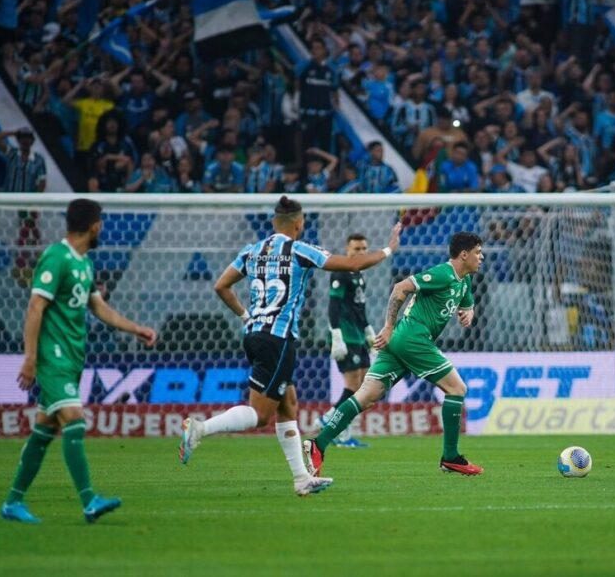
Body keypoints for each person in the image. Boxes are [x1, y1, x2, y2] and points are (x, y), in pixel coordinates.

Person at [178, 197, 401, 496]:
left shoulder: (252, 251)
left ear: (274, 223)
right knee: (260, 415)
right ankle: (200, 429)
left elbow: (221, 286)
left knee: (289, 404)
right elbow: (352, 264)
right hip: (278, 338)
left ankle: (301, 478)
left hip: (254, 335)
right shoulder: (300, 250)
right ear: (299, 224)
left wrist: (246, 316)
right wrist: (389, 249)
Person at [1, 199, 157, 524]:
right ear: (94, 226)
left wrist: (136, 329)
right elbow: (35, 307)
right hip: (52, 356)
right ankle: (89, 501)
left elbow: (100, 308)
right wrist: (30, 358)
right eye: (101, 223)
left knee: (45, 429)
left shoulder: (84, 263)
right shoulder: (56, 257)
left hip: (73, 357)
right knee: (75, 419)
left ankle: (13, 502)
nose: (102, 228)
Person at [305, 232, 485, 477]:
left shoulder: (464, 280)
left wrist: (468, 312)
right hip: (413, 338)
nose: (481, 257)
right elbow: (401, 288)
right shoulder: (443, 273)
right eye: (477, 252)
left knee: (367, 396)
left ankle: (318, 444)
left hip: (402, 341)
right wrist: (388, 327)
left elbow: (467, 303)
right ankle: (451, 457)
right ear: (464, 255)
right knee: (457, 389)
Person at [325, 233, 379, 448]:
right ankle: (338, 429)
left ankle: (334, 423)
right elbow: (333, 306)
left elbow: (359, 308)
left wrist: (369, 332)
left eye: (364, 248)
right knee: (353, 385)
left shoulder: (359, 275)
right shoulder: (341, 272)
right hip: (345, 336)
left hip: (358, 335)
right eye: (356, 249)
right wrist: (336, 336)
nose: (361, 252)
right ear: (347, 250)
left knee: (363, 386)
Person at [0, 127, 47, 192]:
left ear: (32, 141)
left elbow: (42, 182)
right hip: (9, 196)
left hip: (27, 197)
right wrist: (14, 133)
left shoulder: (38, 159)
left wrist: (35, 198)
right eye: (23, 138)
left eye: (28, 138)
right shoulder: (12, 153)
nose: (25, 140)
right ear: (18, 140)